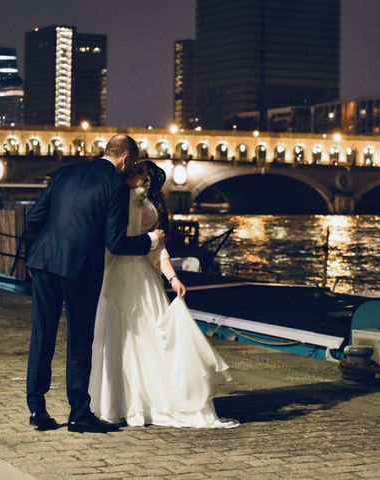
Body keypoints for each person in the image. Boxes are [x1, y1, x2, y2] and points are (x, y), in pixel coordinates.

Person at [25, 135, 166, 433]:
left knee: (42, 336)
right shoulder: (114, 186)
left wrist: (53, 240)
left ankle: (37, 409)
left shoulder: (65, 172)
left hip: (44, 262)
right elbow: (116, 243)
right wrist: (151, 240)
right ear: (126, 160)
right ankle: (78, 413)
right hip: (80, 269)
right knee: (79, 339)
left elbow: (34, 219)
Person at [89, 161, 238, 429]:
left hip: (142, 277)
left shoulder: (148, 208)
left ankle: (147, 400)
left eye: (140, 174)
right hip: (117, 274)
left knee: (151, 338)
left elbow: (158, 251)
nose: (134, 176)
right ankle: (119, 401)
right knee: (118, 338)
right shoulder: (117, 199)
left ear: (147, 181)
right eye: (133, 171)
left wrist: (173, 277)